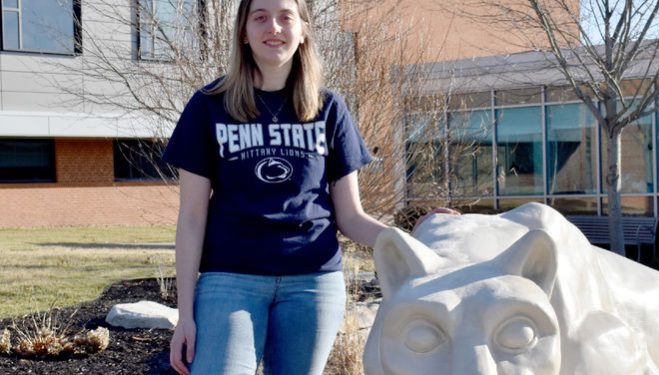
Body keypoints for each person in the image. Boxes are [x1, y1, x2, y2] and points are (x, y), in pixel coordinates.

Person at [163, 0, 458, 373]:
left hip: (313, 284)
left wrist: (411, 236)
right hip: (230, 280)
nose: (274, 27)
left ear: (302, 31)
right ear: (243, 32)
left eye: (286, 17)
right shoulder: (210, 106)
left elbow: (351, 217)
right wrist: (184, 314)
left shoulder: (329, 108)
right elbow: (191, 218)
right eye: (260, 18)